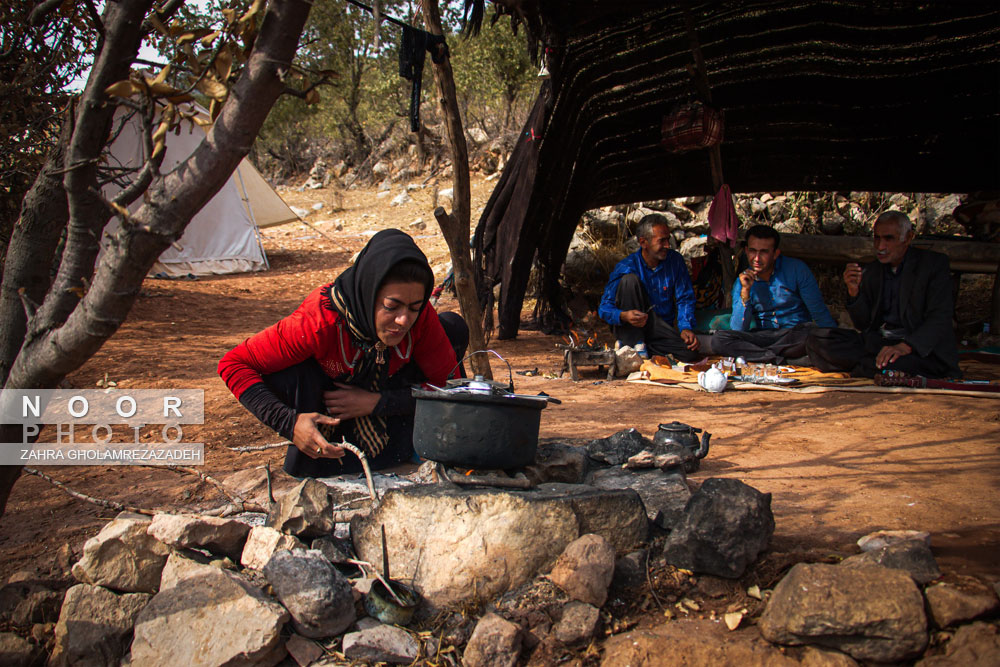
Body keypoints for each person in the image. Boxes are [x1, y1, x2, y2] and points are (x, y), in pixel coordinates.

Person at [218, 229, 469, 477]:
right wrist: (289, 423)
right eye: (391, 306)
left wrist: (378, 402)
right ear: (367, 293)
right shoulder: (318, 321)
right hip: (331, 410)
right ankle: (315, 461)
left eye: (414, 307)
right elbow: (234, 364)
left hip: (386, 405)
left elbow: (450, 390)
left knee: (452, 327)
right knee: (291, 368)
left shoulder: (421, 319)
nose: (403, 320)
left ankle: (407, 450)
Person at [805, 211, 961, 378]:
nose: (880, 247)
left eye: (888, 239)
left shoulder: (932, 265)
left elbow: (940, 316)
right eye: (877, 238)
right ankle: (871, 366)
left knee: (895, 363)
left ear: (908, 238)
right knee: (818, 339)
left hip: (917, 348)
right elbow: (864, 324)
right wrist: (854, 291)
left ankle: (868, 366)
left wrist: (905, 346)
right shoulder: (873, 270)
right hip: (881, 343)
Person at [713, 225, 837, 363]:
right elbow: (738, 329)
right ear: (746, 251)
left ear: (775, 254)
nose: (757, 258)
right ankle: (781, 360)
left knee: (813, 335)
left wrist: (833, 338)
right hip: (764, 336)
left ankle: (766, 358)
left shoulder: (796, 269)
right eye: (753, 251)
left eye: (764, 252)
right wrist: (745, 292)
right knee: (719, 340)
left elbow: (818, 311)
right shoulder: (742, 281)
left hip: (795, 336)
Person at [598, 214, 700, 361]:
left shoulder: (675, 261)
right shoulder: (627, 266)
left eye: (668, 239)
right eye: (662, 241)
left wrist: (685, 327)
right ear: (643, 242)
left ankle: (636, 350)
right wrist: (624, 316)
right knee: (629, 281)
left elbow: (685, 297)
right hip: (630, 328)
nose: (667, 245)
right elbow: (604, 308)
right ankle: (633, 344)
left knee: (690, 353)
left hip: (658, 326)